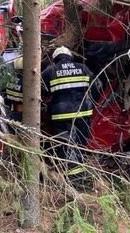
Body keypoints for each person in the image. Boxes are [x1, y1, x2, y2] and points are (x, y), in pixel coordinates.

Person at [42, 46, 99, 190]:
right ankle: (80, 178)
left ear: (55, 58)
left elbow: (41, 89)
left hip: (61, 115)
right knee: (81, 144)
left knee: (65, 147)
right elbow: (96, 87)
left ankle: (73, 180)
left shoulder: (50, 71)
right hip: (83, 113)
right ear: (70, 56)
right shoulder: (83, 68)